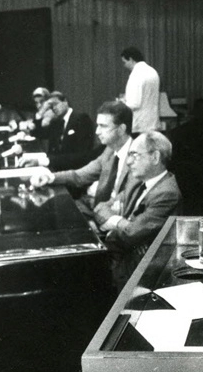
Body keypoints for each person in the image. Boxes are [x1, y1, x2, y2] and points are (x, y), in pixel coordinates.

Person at [93, 131, 181, 290]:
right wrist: (122, 223)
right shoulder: (136, 181)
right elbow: (100, 208)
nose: (128, 162)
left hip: (139, 270)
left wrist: (114, 221)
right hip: (122, 255)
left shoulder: (167, 193)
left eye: (134, 155)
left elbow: (132, 233)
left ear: (155, 157)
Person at [29, 101, 134, 216]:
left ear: (121, 129)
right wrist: (50, 177)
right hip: (100, 211)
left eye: (103, 126)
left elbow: (125, 201)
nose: (97, 131)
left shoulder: (137, 156)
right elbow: (79, 175)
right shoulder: (109, 150)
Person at [18, 91, 97, 171]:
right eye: (51, 107)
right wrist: (41, 112)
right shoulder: (56, 123)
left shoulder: (81, 119)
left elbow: (82, 154)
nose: (54, 108)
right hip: (57, 170)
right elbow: (37, 133)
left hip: (77, 170)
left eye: (56, 104)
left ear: (65, 102)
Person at [119, 46, 160, 135]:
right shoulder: (153, 71)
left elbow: (134, 103)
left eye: (124, 62)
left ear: (131, 59)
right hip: (152, 123)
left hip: (139, 125)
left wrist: (121, 103)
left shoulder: (136, 75)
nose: (124, 65)